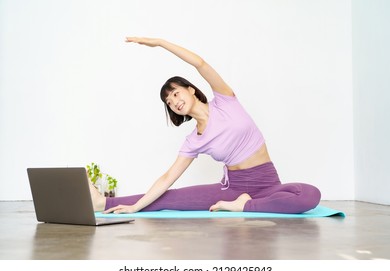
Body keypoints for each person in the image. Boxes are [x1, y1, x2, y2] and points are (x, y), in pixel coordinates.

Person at [90, 37, 321, 214]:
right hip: (231, 189)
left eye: (175, 93)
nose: (174, 102)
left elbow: (200, 63)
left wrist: (160, 43)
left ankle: (245, 206)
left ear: (190, 89)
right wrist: (134, 207)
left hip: (268, 183)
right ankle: (103, 202)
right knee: (171, 198)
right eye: (169, 102)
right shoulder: (194, 140)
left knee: (309, 195)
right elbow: (167, 178)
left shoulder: (225, 100)